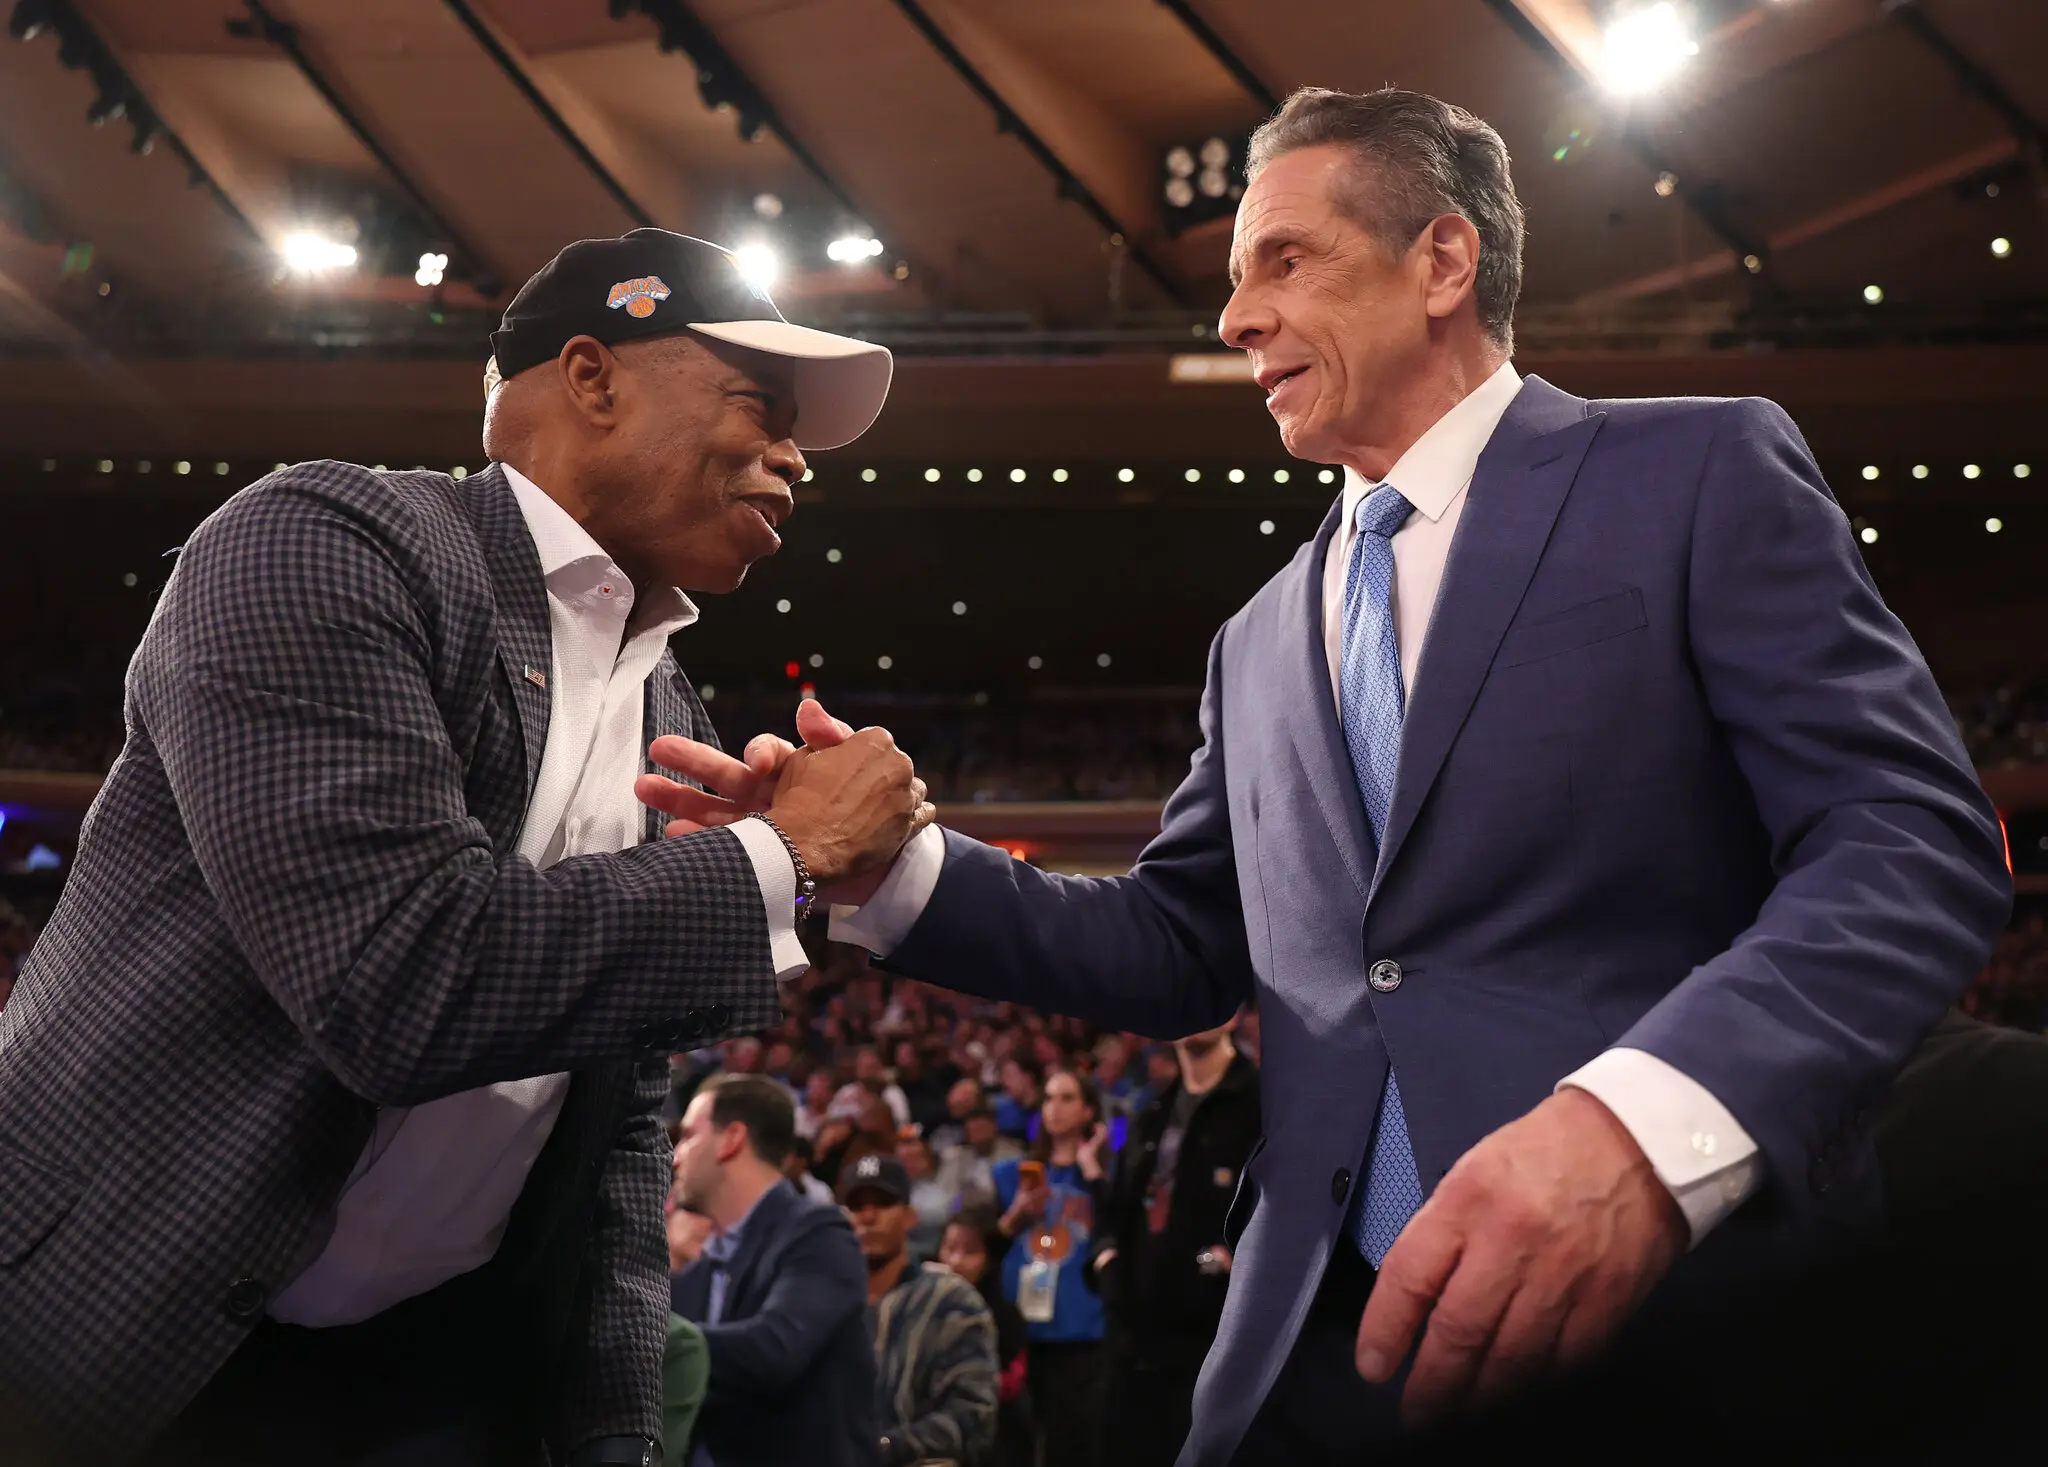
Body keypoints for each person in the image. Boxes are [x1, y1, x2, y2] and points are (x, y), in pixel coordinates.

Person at [644, 87, 2011, 1464]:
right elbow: (1180, 943)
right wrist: (894, 870)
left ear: (1443, 260)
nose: (1236, 318)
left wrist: (1643, 1130)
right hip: (1310, 1354)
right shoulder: (1257, 637)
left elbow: (1906, 836)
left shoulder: (1690, 471)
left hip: (1672, 1319)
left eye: (1284, 261)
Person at [0, 227, 927, 1467]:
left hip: (436, 1375)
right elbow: (397, 979)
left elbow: (615, 1131)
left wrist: (614, 1432)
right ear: (591, 378)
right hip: (126, 1342)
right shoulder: (325, 539)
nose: (795, 456)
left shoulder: (669, 710)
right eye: (762, 404)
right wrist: (781, 854)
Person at [670, 1075, 875, 1467]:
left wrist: (646, 1337)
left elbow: (776, 1348)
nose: (675, 1157)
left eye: (689, 1136)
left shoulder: (819, 1234)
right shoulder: (696, 1277)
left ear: (731, 1139)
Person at [1093, 1018, 1262, 1467]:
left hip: (1213, 1345)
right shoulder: (1151, 1111)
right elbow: (1116, 1210)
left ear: (1235, 1012)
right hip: (1134, 1341)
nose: (1196, 1013)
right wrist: (1107, 1262)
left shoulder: (1262, 1104)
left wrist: (1230, 1266)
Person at [841, 1152, 999, 1467]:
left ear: (910, 1217)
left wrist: (884, 1447)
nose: (868, 1216)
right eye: (857, 1206)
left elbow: (973, 1416)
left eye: (883, 1203)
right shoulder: (825, 1303)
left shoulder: (950, 1301)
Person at [990, 1071, 1111, 1467]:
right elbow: (984, 1245)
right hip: (1023, 1331)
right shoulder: (1011, 1175)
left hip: (1084, 1332)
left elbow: (1118, 1230)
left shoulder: (1102, 1178)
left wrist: (1091, 1168)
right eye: (1048, 1098)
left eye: (1067, 1098)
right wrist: (1015, 1215)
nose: (1054, 1108)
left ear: (1088, 1110)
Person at [938, 1210, 1032, 1467]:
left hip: (994, 1437)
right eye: (950, 1248)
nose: (956, 1261)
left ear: (988, 1260)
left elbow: (1014, 1381)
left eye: (970, 1252)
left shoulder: (1004, 1315)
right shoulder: (923, 1310)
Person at [934, 1104, 1024, 1213]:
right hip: (963, 1214)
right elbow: (943, 1194)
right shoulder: (955, 1158)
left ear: (994, 1127)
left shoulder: (1013, 1155)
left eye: (982, 1130)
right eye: (974, 1131)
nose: (979, 1137)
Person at [894, 1131, 954, 1262]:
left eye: (914, 1159)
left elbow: (941, 1213)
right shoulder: (893, 1187)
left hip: (927, 1254)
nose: (909, 1165)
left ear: (927, 1160)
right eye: (904, 1160)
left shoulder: (938, 1188)